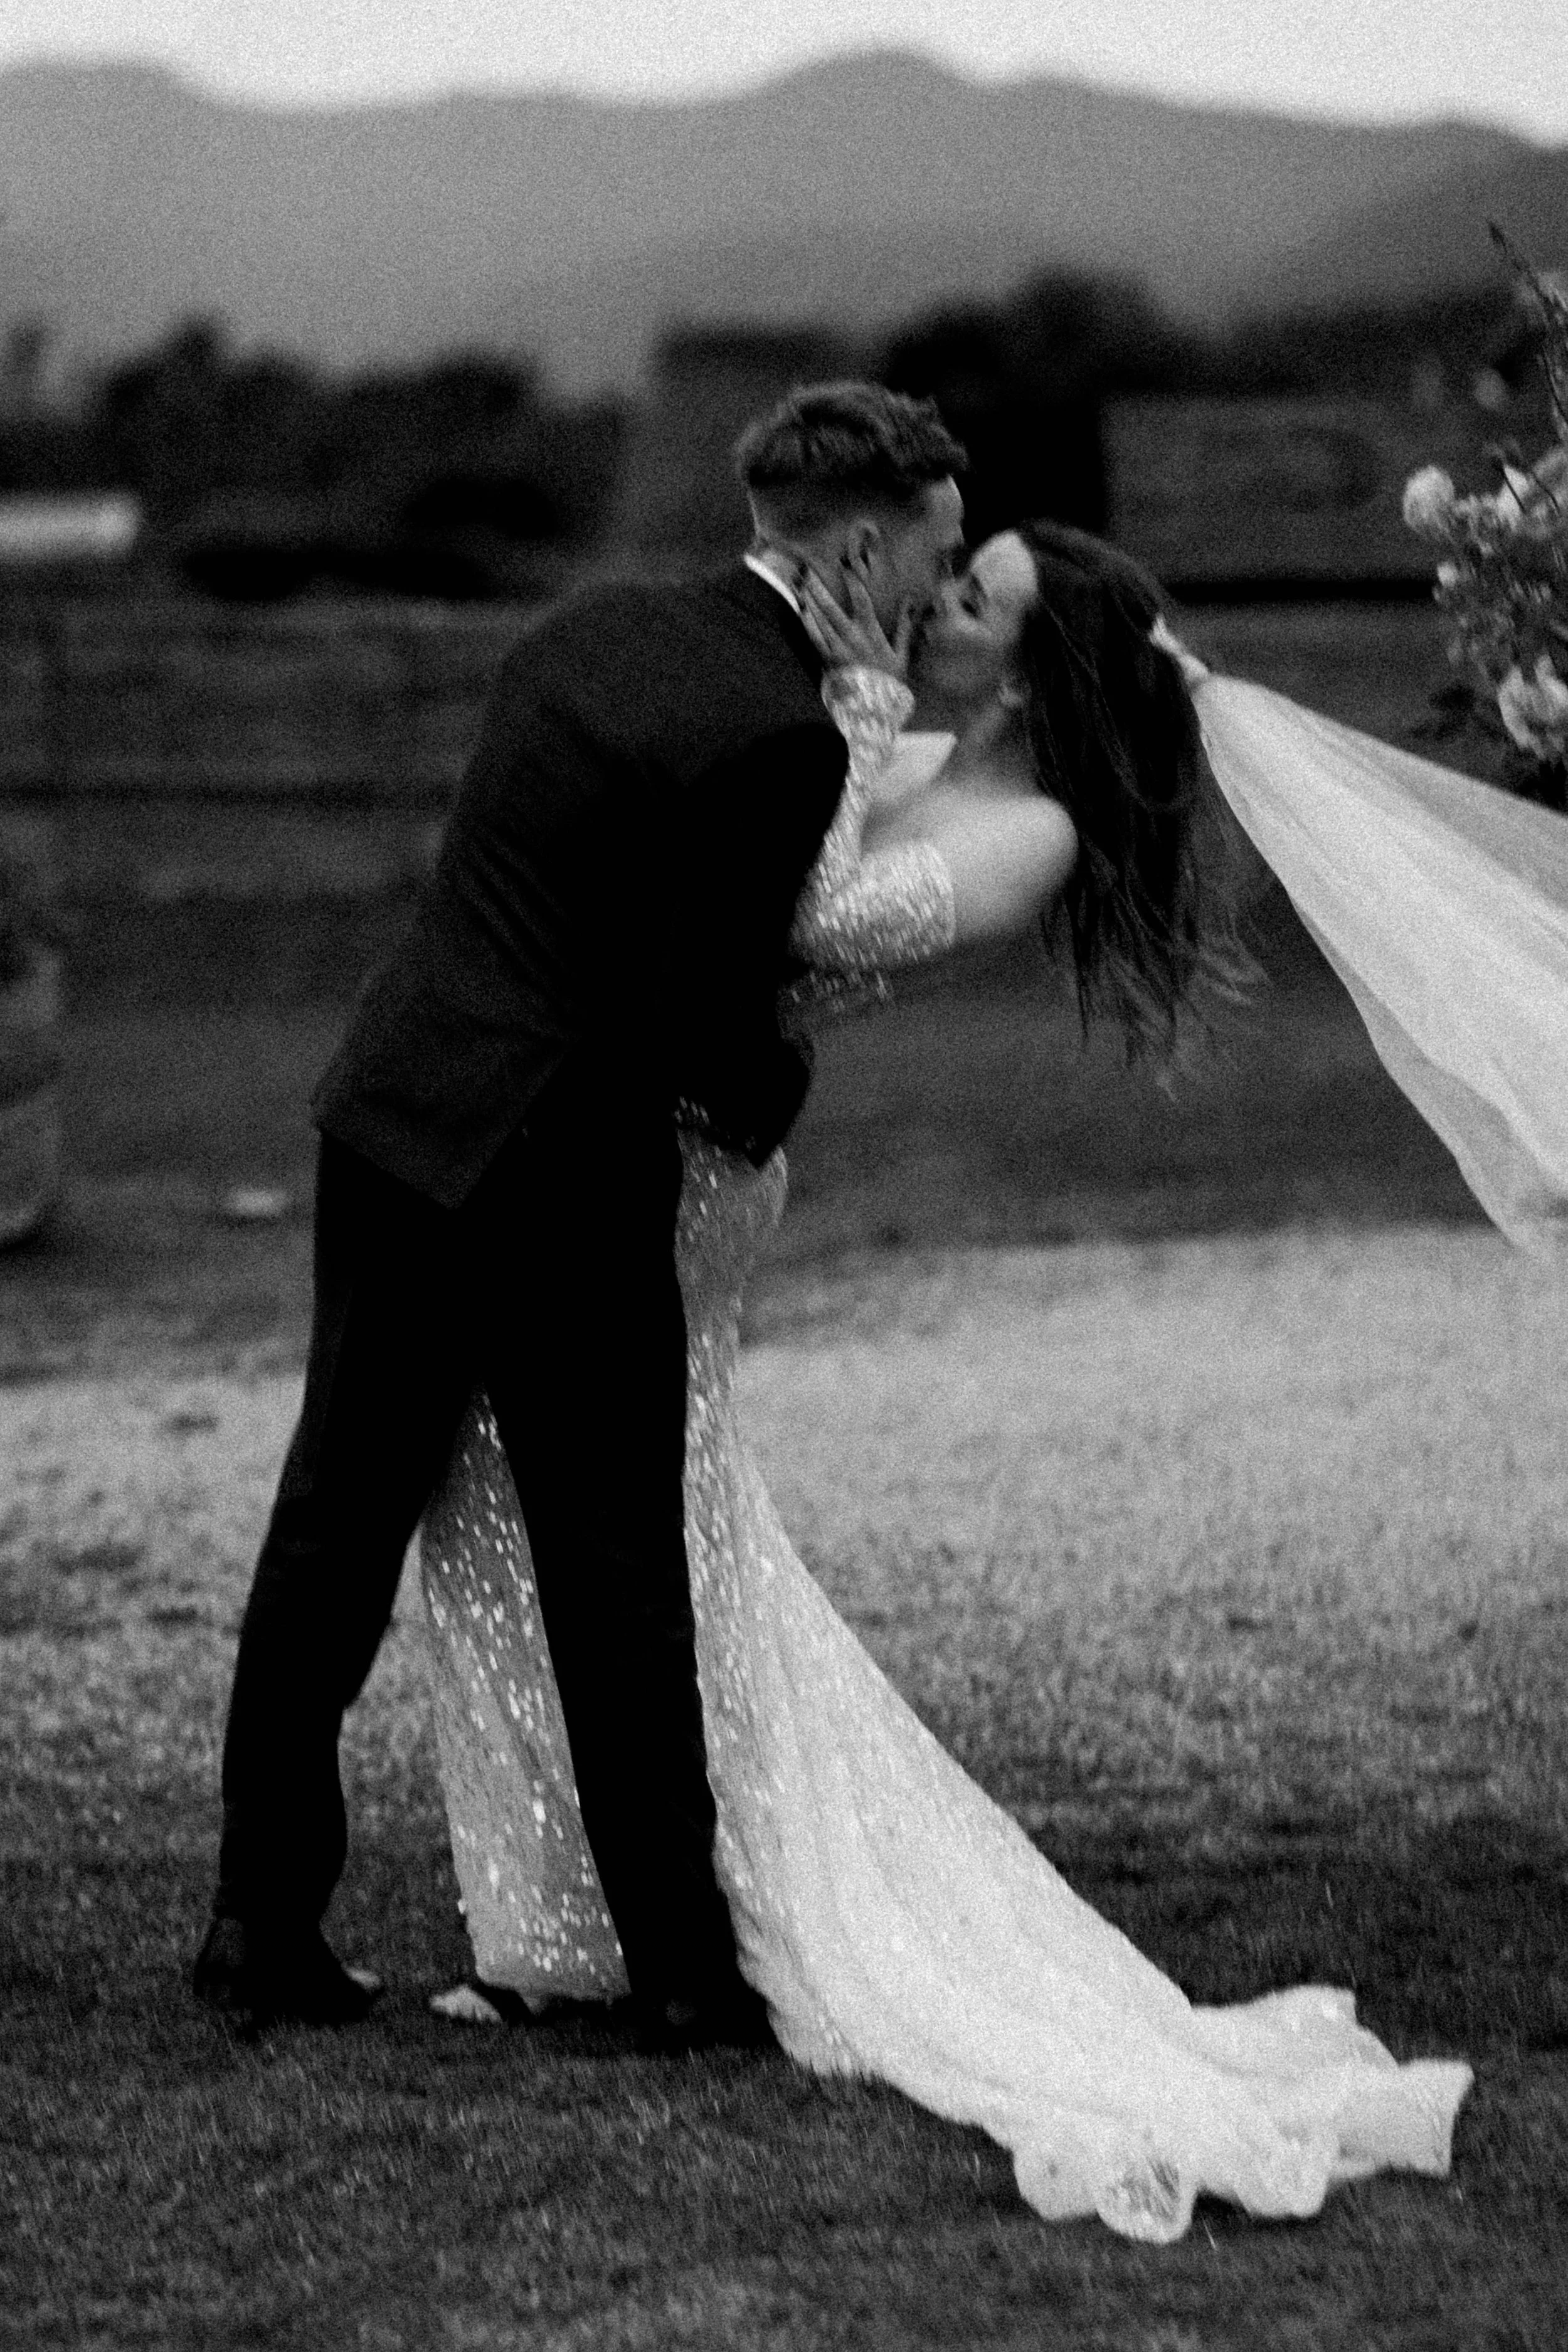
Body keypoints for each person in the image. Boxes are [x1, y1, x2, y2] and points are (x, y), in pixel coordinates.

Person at [417, 492, 1475, 2242]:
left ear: (1028, 658)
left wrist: (831, 724)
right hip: (628, 1138)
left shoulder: (1034, 826)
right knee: (504, 1501)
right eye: (944, 573)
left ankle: (666, 1896)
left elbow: (813, 921)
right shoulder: (890, 732)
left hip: (685, 1178)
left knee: (639, 1525)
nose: (930, 603)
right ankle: (568, 1913)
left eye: (970, 596)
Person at [191, 379, 968, 2040]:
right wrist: (765, 1111)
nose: (933, 583)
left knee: (328, 1532)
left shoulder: (575, 633)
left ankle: (257, 1924)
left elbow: (540, 891)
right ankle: (684, 1972)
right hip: (560, 1170)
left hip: (396, 1112)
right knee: (613, 1571)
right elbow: (710, 1012)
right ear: (854, 539)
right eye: (929, 550)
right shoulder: (785, 733)